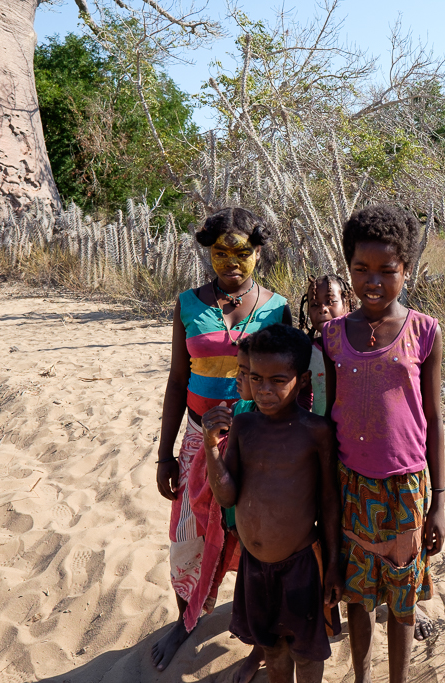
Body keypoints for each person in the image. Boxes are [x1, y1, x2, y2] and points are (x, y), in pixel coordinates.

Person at [152, 207, 291, 672]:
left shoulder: (276, 307)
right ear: (207, 252)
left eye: (243, 253)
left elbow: (289, 380)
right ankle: (185, 621)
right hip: (196, 441)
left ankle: (257, 644)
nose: (232, 262)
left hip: (255, 441)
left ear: (258, 254)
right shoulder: (188, 304)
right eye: (220, 252)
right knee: (187, 536)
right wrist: (164, 455)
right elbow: (177, 380)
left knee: (254, 542)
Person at [321, 204, 445, 683]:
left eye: (386, 271)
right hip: (352, 485)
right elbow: (328, 421)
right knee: (358, 595)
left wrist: (440, 501)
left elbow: (433, 419)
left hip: (406, 486)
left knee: (401, 597)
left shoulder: (424, 331)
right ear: (348, 266)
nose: (372, 281)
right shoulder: (333, 335)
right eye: (361, 269)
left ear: (407, 270)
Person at [202, 324, 342, 683]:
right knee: (273, 649)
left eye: (278, 380)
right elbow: (228, 496)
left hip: (301, 566)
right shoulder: (244, 427)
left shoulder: (315, 431)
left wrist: (334, 564)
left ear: (303, 380)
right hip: (254, 566)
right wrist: (210, 448)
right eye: (257, 378)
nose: (265, 390)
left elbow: (328, 501)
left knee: (307, 654)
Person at [299, 274, 356, 417]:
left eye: (330, 301)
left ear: (347, 304)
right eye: (315, 304)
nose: (323, 309)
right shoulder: (307, 351)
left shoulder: (361, 347)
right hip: (323, 432)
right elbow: (304, 395)